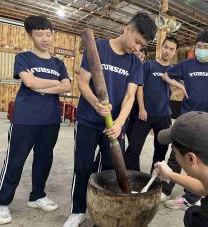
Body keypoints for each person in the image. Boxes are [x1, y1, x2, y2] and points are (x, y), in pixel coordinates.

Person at [63, 12, 156, 227]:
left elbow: (130, 96)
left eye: (142, 45)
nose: (137, 48)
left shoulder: (135, 62)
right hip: (87, 120)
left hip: (114, 127)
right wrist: (96, 102)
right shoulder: (99, 48)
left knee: (110, 170)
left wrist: (120, 123)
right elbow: (83, 83)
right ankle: (77, 210)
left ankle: (102, 212)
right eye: (137, 42)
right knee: (83, 167)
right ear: (127, 29)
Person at [0, 15, 71, 225]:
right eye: (40, 34)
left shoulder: (58, 62)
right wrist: (51, 83)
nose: (45, 38)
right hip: (25, 118)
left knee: (44, 159)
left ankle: (37, 196)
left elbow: (66, 86)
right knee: (16, 159)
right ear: (30, 35)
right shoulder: (24, 57)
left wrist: (40, 85)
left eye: (48, 34)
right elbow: (28, 82)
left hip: (50, 120)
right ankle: (1, 202)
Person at [161, 30, 208, 210]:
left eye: (206, 47)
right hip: (186, 116)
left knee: (199, 159)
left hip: (207, 120)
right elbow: (165, 75)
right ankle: (166, 190)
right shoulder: (186, 65)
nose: (202, 50)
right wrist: (179, 84)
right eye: (199, 47)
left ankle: (192, 197)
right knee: (176, 153)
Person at [124, 36, 178, 172]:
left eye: (171, 49)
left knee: (160, 153)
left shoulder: (174, 70)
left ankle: (153, 183)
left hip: (164, 117)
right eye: (166, 47)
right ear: (161, 47)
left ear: (174, 52)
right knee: (133, 149)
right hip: (144, 114)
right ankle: (130, 178)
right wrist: (141, 108)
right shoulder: (148, 65)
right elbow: (139, 87)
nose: (167, 51)